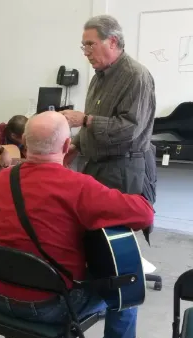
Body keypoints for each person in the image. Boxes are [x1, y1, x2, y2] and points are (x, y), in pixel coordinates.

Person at [0, 111, 154, 338]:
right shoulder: (78, 187)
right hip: (51, 307)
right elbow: (144, 214)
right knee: (128, 282)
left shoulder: (1, 180)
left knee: (26, 258)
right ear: (66, 147)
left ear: (24, 143)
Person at [62, 15, 156, 200]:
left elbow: (130, 129)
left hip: (121, 170)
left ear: (112, 42)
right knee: (91, 222)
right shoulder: (99, 77)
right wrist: (75, 146)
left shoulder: (135, 76)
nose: (86, 52)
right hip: (97, 165)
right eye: (84, 46)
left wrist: (84, 120)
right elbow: (91, 119)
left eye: (91, 44)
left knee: (114, 226)